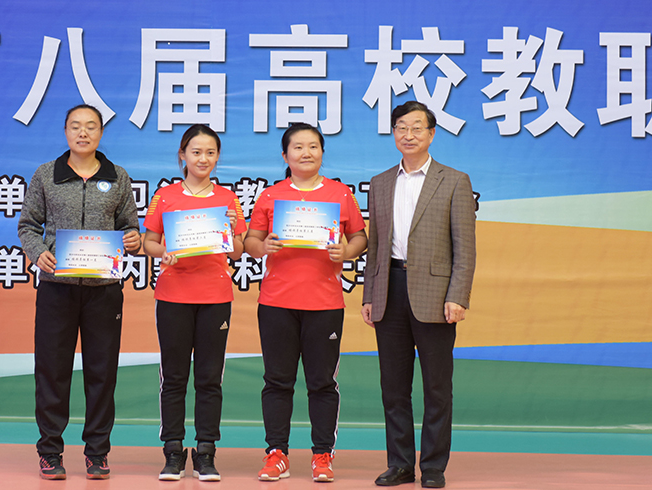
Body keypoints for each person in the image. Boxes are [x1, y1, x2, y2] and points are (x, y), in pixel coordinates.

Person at [18, 104, 141, 480]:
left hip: (104, 291)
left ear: (101, 133)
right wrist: (38, 253)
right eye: (75, 126)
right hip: (57, 289)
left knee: (102, 373)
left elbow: (129, 228)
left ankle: (97, 453)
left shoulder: (118, 177)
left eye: (90, 126)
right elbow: (28, 225)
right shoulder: (46, 175)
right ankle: (50, 451)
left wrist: (133, 240)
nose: (83, 133)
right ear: (65, 132)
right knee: (52, 371)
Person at [361, 101, 476, 489]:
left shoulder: (454, 180)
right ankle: (399, 464)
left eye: (416, 128)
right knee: (394, 387)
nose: (408, 135)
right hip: (389, 289)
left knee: (437, 387)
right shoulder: (380, 182)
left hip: (436, 294)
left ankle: (433, 467)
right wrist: (369, 294)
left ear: (431, 134)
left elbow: (465, 248)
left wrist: (458, 295)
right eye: (401, 127)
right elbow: (376, 246)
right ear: (393, 133)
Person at [245, 123, 367, 483]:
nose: (306, 153)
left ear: (322, 153)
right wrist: (262, 246)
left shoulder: (340, 193)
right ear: (285, 155)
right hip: (277, 302)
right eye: (298, 147)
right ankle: (276, 453)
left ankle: (322, 455)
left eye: (313, 146)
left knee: (322, 382)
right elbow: (251, 241)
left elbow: (360, 237)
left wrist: (347, 251)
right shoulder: (271, 196)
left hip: (325, 303)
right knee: (277, 381)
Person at [143, 124, 246, 482]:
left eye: (210, 153)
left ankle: (206, 451)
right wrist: (163, 252)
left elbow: (237, 250)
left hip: (215, 297)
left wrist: (232, 230)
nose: (203, 159)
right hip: (173, 295)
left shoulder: (228, 199)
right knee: (173, 376)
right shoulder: (165, 196)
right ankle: (173, 450)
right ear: (182, 155)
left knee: (209, 377)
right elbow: (149, 242)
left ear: (217, 158)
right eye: (196, 152)